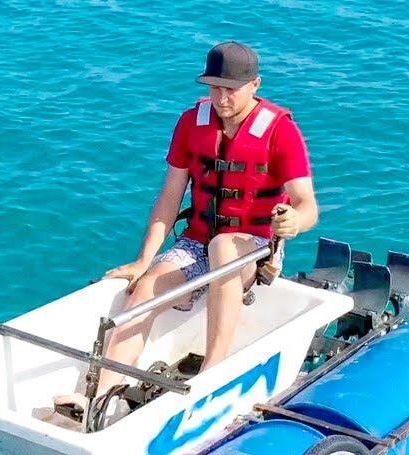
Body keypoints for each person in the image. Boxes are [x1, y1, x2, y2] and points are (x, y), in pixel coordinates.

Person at [55, 41, 317, 422]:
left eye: (231, 89)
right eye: (214, 88)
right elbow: (169, 195)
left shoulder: (281, 132)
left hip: (252, 246)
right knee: (145, 286)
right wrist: (144, 260)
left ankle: (213, 372)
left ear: (255, 85)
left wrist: (295, 221)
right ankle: (97, 397)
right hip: (197, 242)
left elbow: (306, 205)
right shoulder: (191, 124)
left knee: (225, 247)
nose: (222, 98)